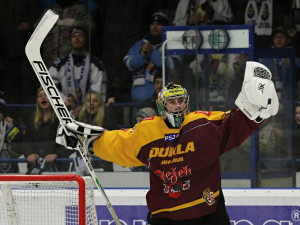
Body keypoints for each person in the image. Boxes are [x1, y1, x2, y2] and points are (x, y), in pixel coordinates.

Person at [57, 61, 279, 224]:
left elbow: (234, 123)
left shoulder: (203, 123)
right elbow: (120, 143)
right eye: (171, 102)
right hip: (166, 218)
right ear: (162, 106)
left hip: (209, 213)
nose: (177, 105)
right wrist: (88, 142)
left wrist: (254, 111)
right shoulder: (147, 130)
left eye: (181, 100)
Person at [49, 26, 107, 118]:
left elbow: (98, 90)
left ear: (86, 40)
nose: (77, 39)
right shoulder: (60, 63)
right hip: (65, 110)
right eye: (74, 36)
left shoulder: (96, 63)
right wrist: (64, 100)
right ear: (70, 40)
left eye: (80, 36)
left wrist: (84, 106)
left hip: (89, 113)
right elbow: (48, 86)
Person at [23, 87, 72, 174]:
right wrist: (29, 153)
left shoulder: (62, 120)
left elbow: (70, 142)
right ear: (37, 101)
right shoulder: (32, 120)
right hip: (35, 167)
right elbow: (26, 142)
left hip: (57, 166)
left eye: (46, 95)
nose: (43, 97)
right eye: (40, 96)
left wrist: (57, 154)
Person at [123, 11, 169, 103]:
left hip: (162, 100)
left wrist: (152, 52)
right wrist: (143, 56)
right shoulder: (140, 44)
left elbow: (171, 66)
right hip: (138, 100)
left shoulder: (170, 45)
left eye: (159, 24)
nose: (155, 27)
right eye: (153, 24)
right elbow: (128, 64)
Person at [74, 91, 117, 174]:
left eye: (95, 101)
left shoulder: (106, 118)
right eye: (88, 101)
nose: (92, 103)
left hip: (104, 164)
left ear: (99, 105)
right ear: (84, 104)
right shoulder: (79, 120)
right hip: (84, 165)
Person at [0, 93, 22, 173]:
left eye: (0, 112)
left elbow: (19, 146)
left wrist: (12, 127)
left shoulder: (9, 127)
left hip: (9, 170)